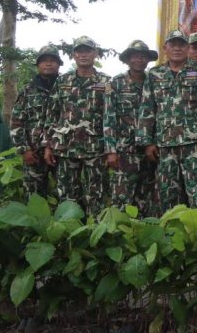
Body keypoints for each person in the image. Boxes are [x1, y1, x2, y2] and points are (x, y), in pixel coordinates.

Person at [137, 30, 197, 210]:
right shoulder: (155, 74)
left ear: (187, 48)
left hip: (196, 143)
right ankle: (172, 235)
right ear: (165, 48)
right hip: (165, 145)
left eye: (181, 45)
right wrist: (147, 142)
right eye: (173, 45)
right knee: (168, 195)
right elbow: (147, 108)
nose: (177, 48)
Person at [43, 36, 110, 216]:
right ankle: (70, 233)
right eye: (79, 51)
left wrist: (111, 148)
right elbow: (52, 114)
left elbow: (111, 117)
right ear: (74, 55)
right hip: (66, 147)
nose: (83, 55)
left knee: (96, 195)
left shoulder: (106, 81)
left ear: (95, 53)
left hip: (95, 148)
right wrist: (48, 145)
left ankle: (95, 235)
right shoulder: (63, 81)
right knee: (67, 195)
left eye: (87, 50)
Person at [104, 40, 158, 214]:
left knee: (147, 197)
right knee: (121, 198)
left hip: (151, 150)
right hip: (125, 151)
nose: (139, 60)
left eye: (143, 56)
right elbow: (109, 117)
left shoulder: (155, 81)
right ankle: (119, 236)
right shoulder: (116, 83)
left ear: (148, 60)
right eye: (134, 56)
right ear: (127, 59)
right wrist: (111, 150)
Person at [10, 46, 62, 198]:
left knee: (66, 194)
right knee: (34, 196)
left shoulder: (66, 88)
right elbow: (16, 122)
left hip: (61, 151)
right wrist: (24, 149)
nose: (48, 64)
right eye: (44, 61)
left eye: (53, 61)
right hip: (34, 152)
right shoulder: (27, 91)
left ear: (59, 64)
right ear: (38, 65)